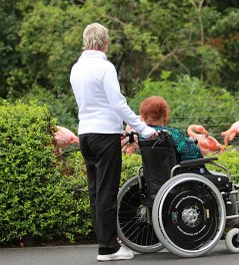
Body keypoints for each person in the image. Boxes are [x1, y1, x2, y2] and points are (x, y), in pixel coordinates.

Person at [70, 22, 157, 262]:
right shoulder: (104, 67)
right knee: (107, 193)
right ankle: (108, 248)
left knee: (96, 193)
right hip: (105, 136)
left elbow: (93, 103)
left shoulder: (76, 68)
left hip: (85, 135)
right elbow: (117, 103)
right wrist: (144, 129)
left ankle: (105, 243)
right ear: (103, 41)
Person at [139, 96, 202, 160]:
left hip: (151, 170)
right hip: (178, 169)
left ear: (144, 115)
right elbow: (194, 156)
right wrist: (191, 143)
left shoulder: (142, 136)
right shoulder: (172, 134)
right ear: (164, 114)